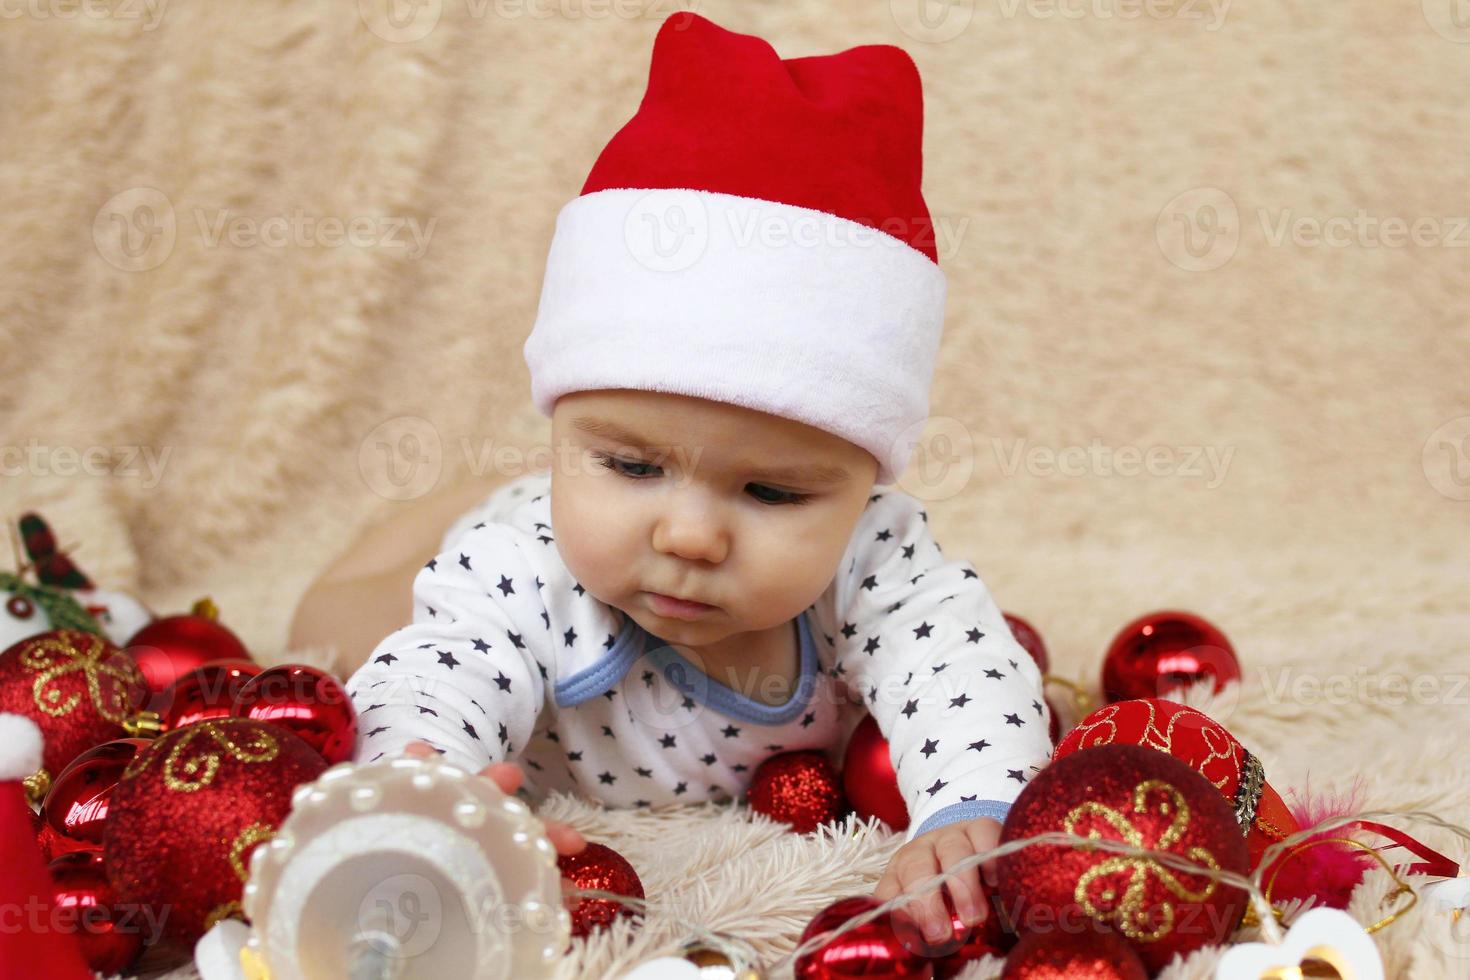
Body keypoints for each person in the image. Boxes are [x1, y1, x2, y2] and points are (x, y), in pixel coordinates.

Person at [310, 12, 1053, 945]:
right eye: (630, 464)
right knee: (337, 630)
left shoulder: (873, 555)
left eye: (772, 492)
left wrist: (971, 804)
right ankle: (449, 512)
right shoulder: (524, 566)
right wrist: (427, 782)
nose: (689, 537)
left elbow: (959, 660)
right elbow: (441, 667)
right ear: (563, 430)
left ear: (867, 484)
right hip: (482, 530)